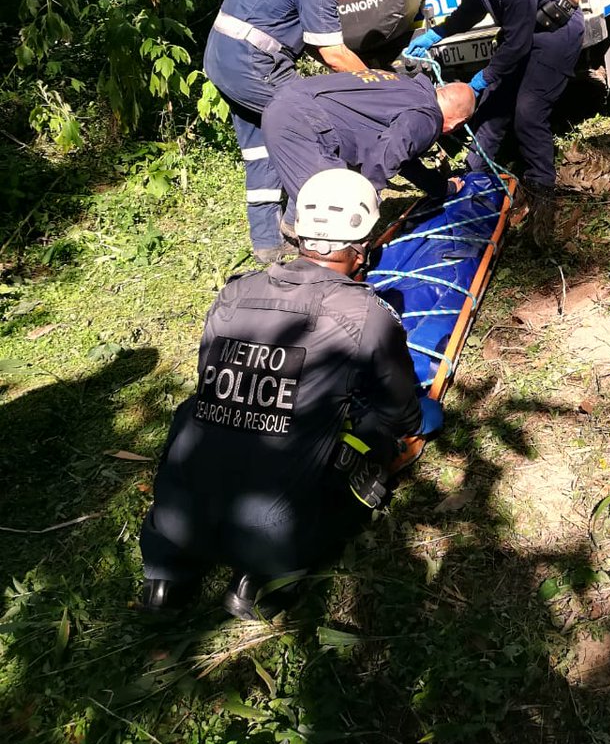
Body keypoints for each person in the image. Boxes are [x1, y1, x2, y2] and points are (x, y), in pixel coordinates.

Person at [140, 169, 442, 620]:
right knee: (411, 417)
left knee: (196, 410)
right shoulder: (364, 313)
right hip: (274, 528)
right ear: (362, 243)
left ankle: (165, 583)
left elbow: (213, 381)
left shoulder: (234, 293)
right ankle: (259, 581)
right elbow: (400, 414)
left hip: (177, 519)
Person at [203, 0, 377, 264]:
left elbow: (314, 42)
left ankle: (267, 244)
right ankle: (304, 225)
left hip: (223, 59)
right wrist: (373, 86)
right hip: (252, 64)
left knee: (263, 148)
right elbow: (332, 53)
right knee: (315, 128)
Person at [409, 0, 585, 245]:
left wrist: (481, 78)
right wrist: (437, 33)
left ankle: (543, 200)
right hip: (525, 34)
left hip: (553, 34)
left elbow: (517, 43)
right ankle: (472, 182)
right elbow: (473, 10)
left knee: (529, 113)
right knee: (491, 109)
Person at [261, 68, 476, 235]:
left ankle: (293, 231)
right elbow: (389, 154)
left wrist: (441, 188)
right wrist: (361, 198)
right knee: (332, 212)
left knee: (316, 190)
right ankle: (320, 273)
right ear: (459, 122)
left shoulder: (410, 88)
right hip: (301, 122)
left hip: (291, 103)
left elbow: (405, 159)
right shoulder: (428, 117)